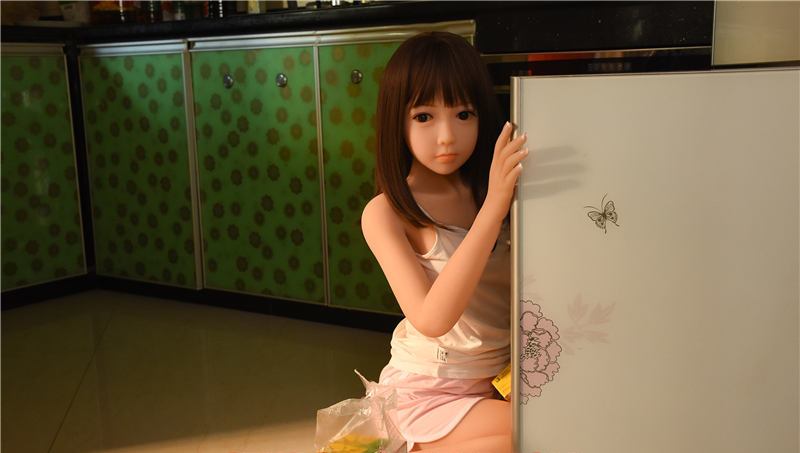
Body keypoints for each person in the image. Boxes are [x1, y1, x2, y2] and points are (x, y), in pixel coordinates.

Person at [360, 31, 529, 452]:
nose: (447, 136)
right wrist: (493, 209)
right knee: (534, 434)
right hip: (429, 389)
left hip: (499, 381)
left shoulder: (495, 189)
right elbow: (431, 319)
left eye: (463, 114)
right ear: (397, 121)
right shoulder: (386, 213)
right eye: (424, 117)